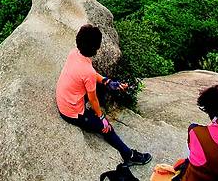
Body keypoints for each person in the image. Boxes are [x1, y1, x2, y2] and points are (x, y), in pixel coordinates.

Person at [56, 24, 152, 167]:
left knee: (103, 85)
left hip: (65, 98)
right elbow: (92, 97)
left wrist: (107, 82)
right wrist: (102, 118)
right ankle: (129, 155)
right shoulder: (87, 70)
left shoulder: (74, 53)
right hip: (72, 112)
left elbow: (90, 74)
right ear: (96, 47)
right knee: (107, 129)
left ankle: (109, 87)